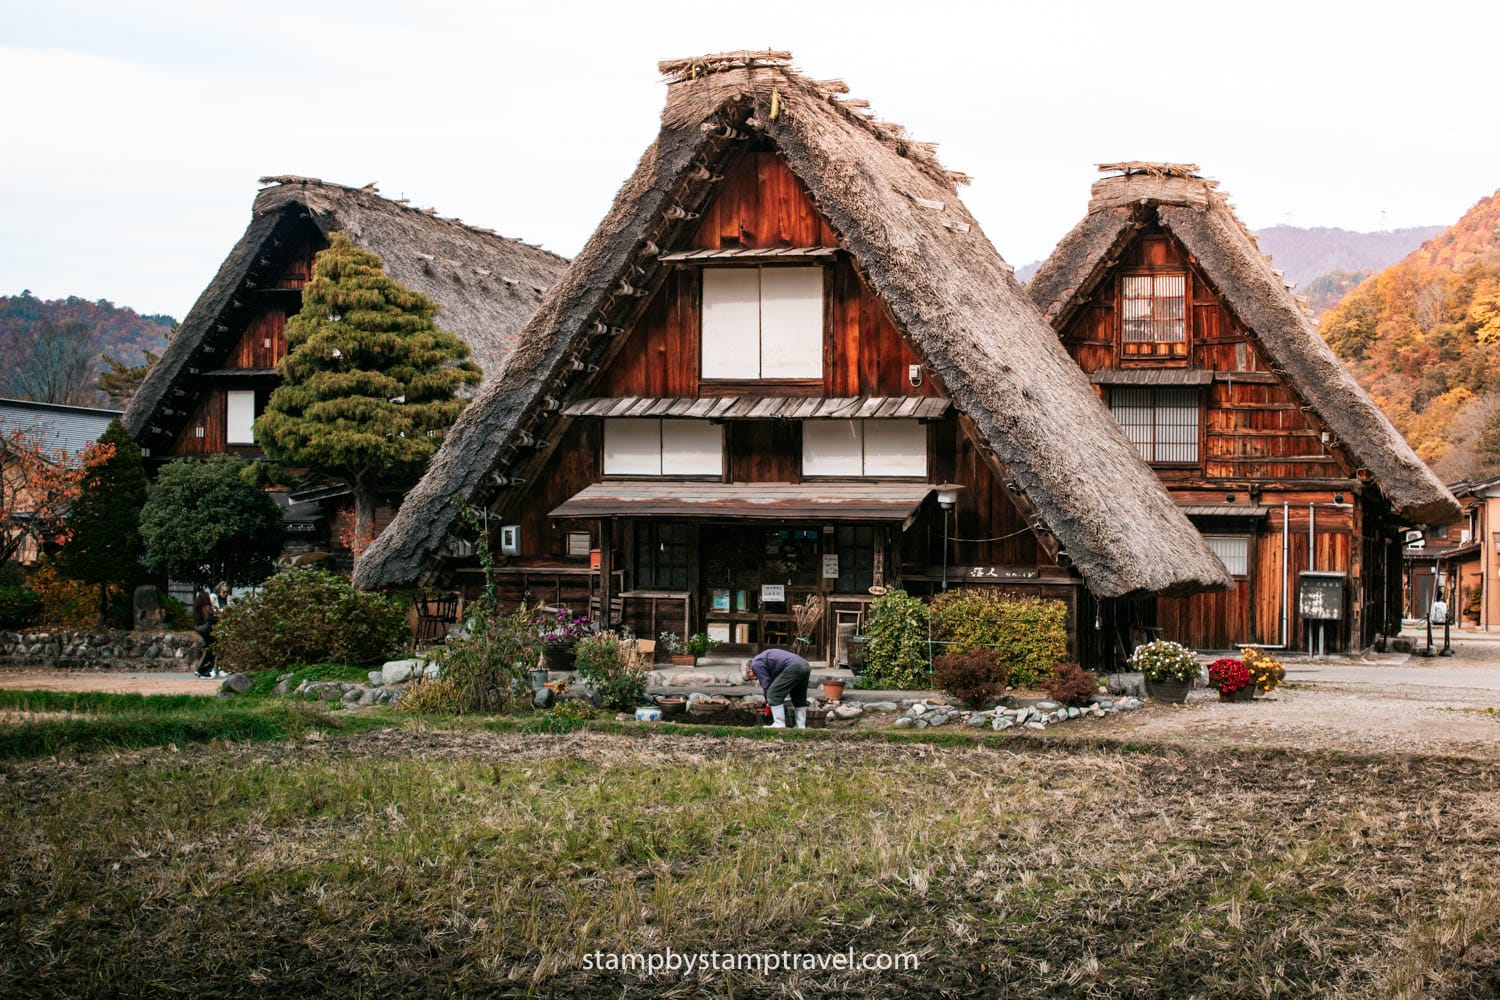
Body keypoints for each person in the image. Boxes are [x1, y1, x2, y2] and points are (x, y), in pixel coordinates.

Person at [745, 647, 811, 729]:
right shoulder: (762, 660)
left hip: (793, 666)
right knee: (799, 696)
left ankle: (779, 724)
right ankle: (800, 726)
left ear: (749, 671)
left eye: (749, 678)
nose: (753, 679)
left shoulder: (756, 664)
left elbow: (766, 685)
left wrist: (768, 702)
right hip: (804, 665)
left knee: (773, 693)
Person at [193, 590, 222, 678]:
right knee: (212, 650)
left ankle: (202, 669)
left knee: (210, 650)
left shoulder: (198, 607)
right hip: (208, 631)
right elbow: (211, 617)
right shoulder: (207, 606)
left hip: (201, 630)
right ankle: (203, 670)